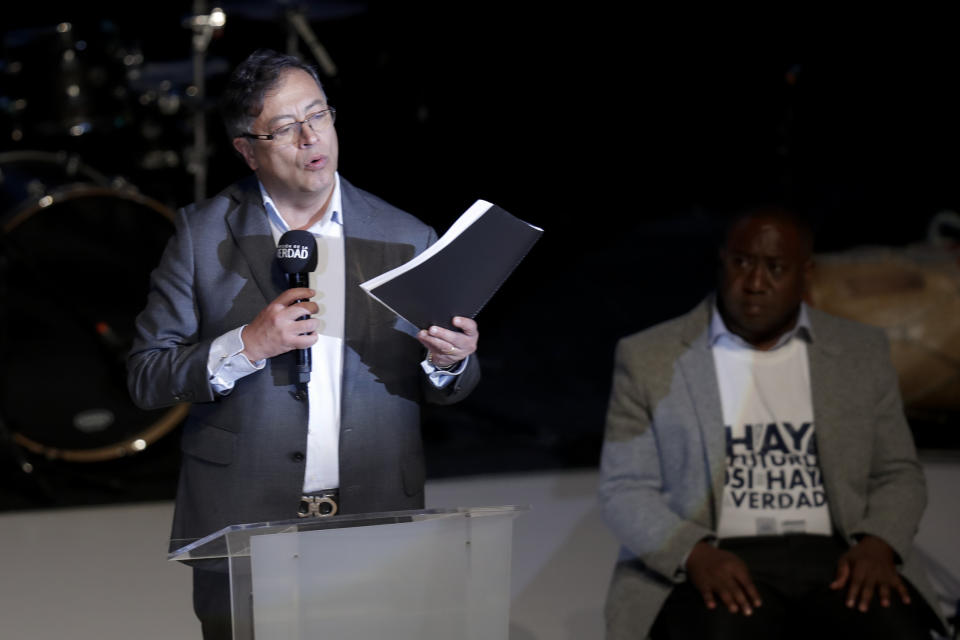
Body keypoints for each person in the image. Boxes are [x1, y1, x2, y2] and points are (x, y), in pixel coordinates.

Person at [127, 49, 481, 638]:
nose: (310, 137)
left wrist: (450, 362)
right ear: (247, 148)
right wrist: (246, 344)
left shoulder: (404, 235)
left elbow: (450, 386)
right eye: (285, 128)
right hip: (242, 525)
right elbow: (146, 375)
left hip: (376, 518)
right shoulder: (200, 235)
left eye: (318, 115)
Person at [598, 206, 944, 639]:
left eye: (776, 268)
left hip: (839, 553)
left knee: (894, 627)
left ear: (806, 273)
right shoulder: (651, 356)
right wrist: (694, 554)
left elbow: (898, 472)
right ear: (721, 261)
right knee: (719, 629)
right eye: (742, 263)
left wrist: (879, 544)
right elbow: (623, 488)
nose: (755, 283)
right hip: (713, 551)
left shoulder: (859, 352)